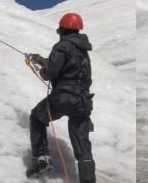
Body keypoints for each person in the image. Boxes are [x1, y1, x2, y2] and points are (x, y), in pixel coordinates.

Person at [26, 12, 96, 182]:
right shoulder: (83, 51)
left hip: (63, 97)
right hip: (83, 101)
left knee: (37, 116)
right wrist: (40, 60)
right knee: (81, 141)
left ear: (62, 30)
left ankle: (42, 158)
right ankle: (88, 180)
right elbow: (72, 69)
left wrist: (43, 71)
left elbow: (50, 72)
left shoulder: (62, 46)